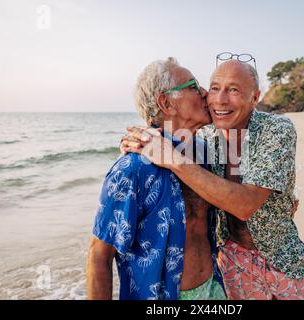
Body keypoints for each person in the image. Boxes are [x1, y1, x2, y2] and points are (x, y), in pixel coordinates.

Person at [121, 57, 304, 300]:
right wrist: (141, 138)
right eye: (214, 88)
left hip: (282, 255)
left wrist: (171, 158)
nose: (220, 99)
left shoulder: (276, 129)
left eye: (233, 90)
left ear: (255, 97)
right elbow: (168, 127)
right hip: (232, 262)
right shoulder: (206, 136)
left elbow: (245, 205)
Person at [86, 57, 225, 300]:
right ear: (166, 103)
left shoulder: (206, 153)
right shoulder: (132, 169)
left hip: (213, 289)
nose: (205, 93)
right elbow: (99, 255)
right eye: (193, 86)